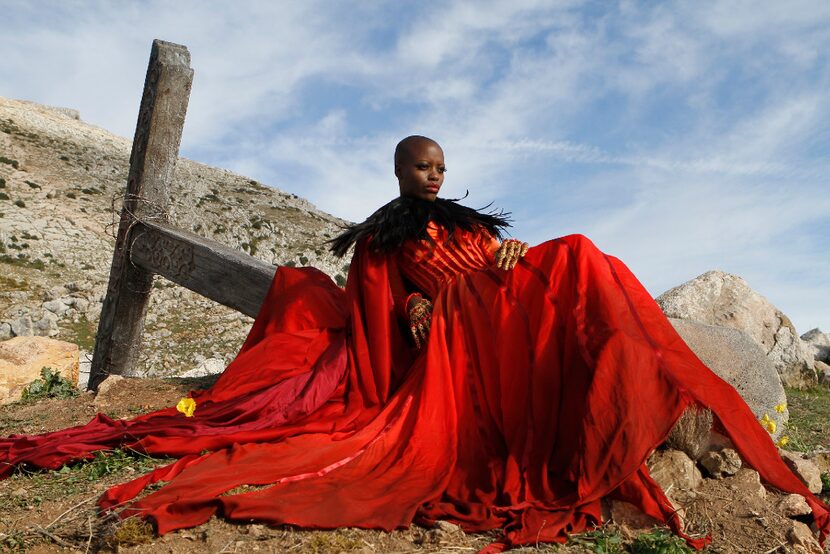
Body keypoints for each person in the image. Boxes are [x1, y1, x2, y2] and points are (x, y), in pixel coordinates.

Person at [1, 136, 828, 552]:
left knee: (572, 256)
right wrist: (414, 313)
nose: (433, 176)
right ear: (399, 172)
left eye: (439, 167)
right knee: (578, 258)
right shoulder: (384, 238)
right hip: (456, 332)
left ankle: (634, 398)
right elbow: (378, 314)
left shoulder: (466, 222)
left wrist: (508, 251)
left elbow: (496, 256)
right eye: (421, 167)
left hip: (497, 296)